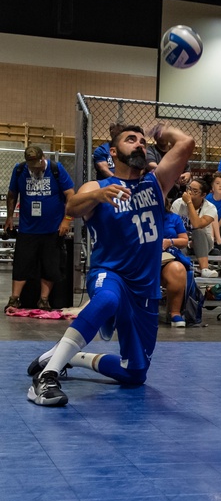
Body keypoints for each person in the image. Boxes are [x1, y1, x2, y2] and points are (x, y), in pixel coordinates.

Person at [26, 124, 195, 406]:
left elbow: (187, 142)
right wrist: (97, 196)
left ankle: (72, 356)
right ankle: (47, 377)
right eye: (131, 140)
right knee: (107, 299)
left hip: (145, 289)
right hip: (110, 273)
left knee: (135, 374)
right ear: (113, 153)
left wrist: (162, 130)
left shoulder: (156, 183)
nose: (140, 144)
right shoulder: (98, 187)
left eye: (143, 141)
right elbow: (71, 208)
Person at [5, 145, 75, 312]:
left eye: (37, 165)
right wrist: (9, 217)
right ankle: (14, 299)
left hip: (52, 229)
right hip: (27, 228)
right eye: (32, 166)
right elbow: (12, 194)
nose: (35, 169)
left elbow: (71, 194)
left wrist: (66, 221)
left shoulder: (56, 169)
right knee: (21, 265)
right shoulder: (20, 169)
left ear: (43, 158)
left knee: (50, 266)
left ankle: (44, 300)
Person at [170, 175, 218, 277]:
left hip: (203, 242)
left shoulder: (210, 208)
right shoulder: (177, 204)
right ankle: (185, 273)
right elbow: (171, 227)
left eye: (195, 191)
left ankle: (204, 269)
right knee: (179, 243)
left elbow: (197, 224)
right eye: (189, 189)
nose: (190, 192)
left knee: (198, 231)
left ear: (203, 195)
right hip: (183, 241)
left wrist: (189, 202)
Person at [160, 204, 191, 327]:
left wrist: (170, 241)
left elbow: (184, 240)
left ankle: (175, 312)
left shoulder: (174, 218)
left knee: (178, 269)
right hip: (141, 256)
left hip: (166, 256)